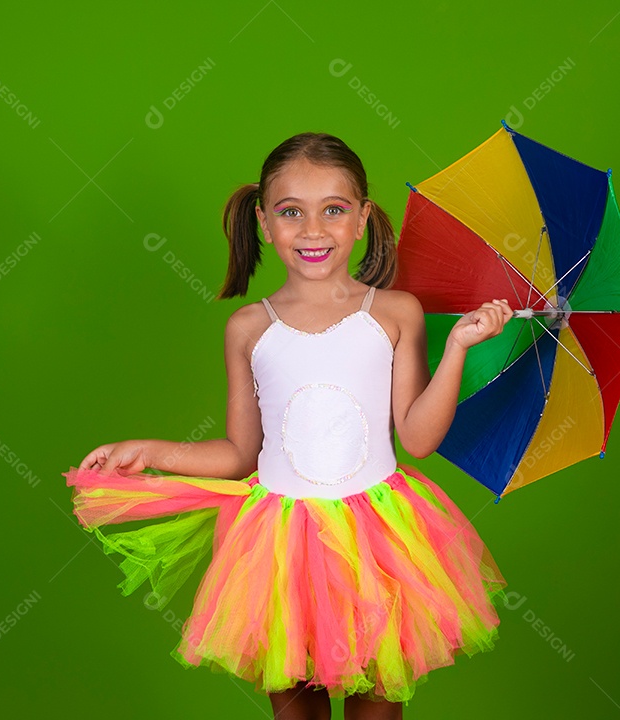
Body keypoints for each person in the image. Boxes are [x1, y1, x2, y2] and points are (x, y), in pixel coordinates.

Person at [64, 131, 514, 719]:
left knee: (377, 703)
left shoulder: (396, 312)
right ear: (264, 222)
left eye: (334, 210)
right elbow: (237, 454)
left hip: (376, 541)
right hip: (279, 546)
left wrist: (456, 347)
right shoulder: (249, 327)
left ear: (361, 220)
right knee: (295, 708)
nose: (313, 230)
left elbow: (419, 440)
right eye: (291, 212)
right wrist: (146, 449)